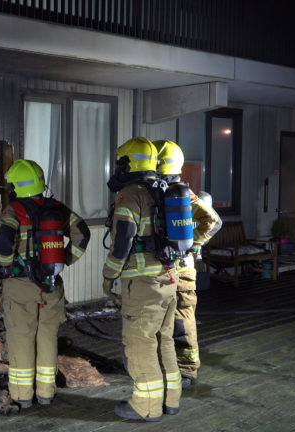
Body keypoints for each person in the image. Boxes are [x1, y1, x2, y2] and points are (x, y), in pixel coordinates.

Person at [0, 159, 90, 409]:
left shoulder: (13, 210)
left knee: (21, 338)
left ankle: (22, 396)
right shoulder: (57, 207)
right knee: (47, 337)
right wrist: (66, 259)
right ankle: (46, 393)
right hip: (51, 285)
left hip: (19, 285)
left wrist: (6, 264)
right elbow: (83, 234)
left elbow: (5, 241)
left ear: (16, 186)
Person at [101, 137, 181, 421]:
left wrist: (108, 275)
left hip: (143, 284)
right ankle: (171, 399)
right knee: (164, 340)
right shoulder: (163, 190)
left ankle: (145, 406)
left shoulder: (130, 195)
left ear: (128, 163)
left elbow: (122, 242)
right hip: (170, 278)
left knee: (141, 343)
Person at [153, 140, 222, 389]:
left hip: (180, 268)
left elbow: (214, 221)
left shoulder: (180, 195)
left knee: (181, 319)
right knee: (168, 318)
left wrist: (193, 246)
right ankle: (172, 368)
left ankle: (187, 371)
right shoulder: (165, 193)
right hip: (166, 267)